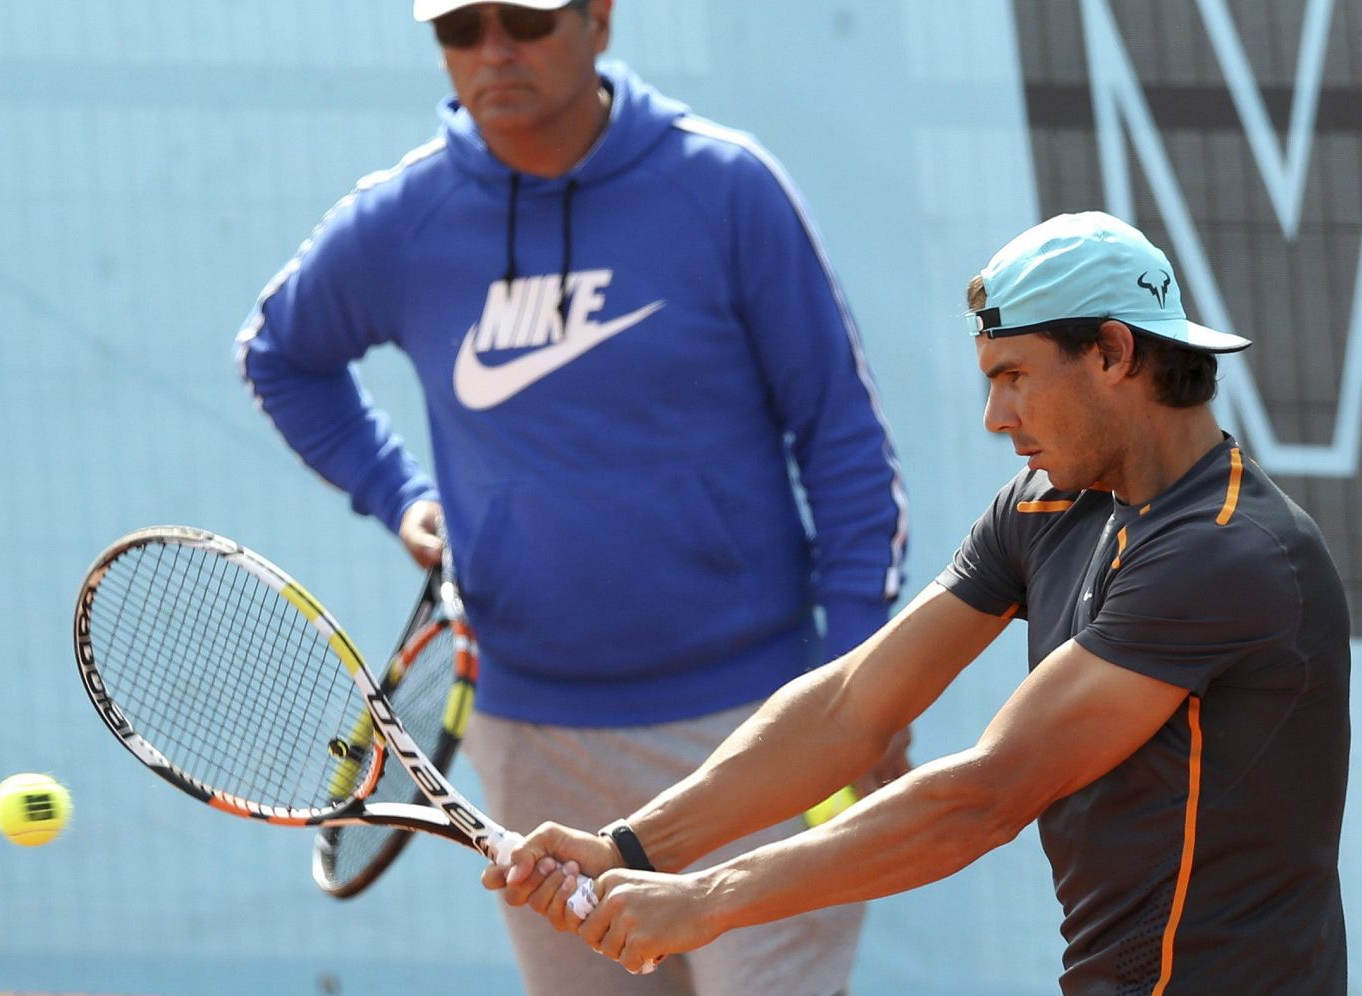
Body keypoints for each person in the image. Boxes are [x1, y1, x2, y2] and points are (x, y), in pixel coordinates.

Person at [494, 212, 1351, 995]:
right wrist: (630, 846)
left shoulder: (1227, 552)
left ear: (1115, 353)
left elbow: (986, 795)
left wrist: (707, 900)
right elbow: (851, 705)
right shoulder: (1045, 506)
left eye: (1013, 375)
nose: (994, 416)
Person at [235, 1, 910, 993]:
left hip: (752, 729)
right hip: (529, 739)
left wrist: (855, 694)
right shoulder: (405, 218)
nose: (493, 49)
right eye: (461, 27)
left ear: (598, 19)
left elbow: (845, 444)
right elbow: (281, 356)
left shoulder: (724, 188)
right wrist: (398, 496)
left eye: (524, 18)